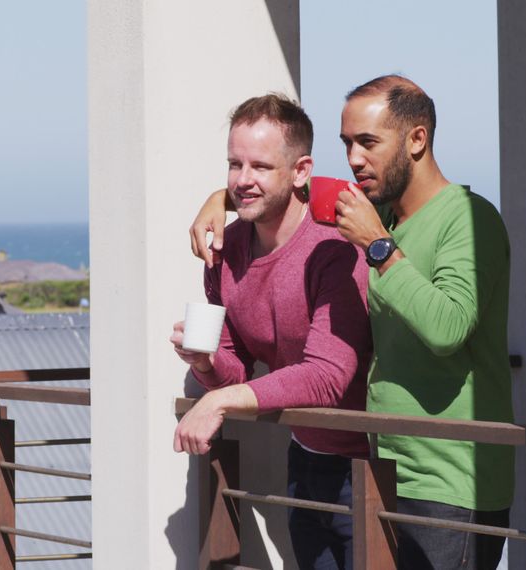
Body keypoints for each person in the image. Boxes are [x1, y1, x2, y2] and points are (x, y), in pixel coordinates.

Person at [189, 76, 515, 570]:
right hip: (384, 467)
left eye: (368, 143)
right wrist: (219, 199)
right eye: (347, 144)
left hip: (452, 479)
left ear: (417, 140)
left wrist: (378, 248)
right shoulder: (377, 207)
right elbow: (281, 184)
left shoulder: (470, 220)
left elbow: (448, 328)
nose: (354, 159)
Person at [170, 93, 372, 569]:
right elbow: (235, 368)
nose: (243, 181)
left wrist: (218, 400)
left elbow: (327, 376)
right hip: (303, 456)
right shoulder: (226, 247)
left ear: (301, 171)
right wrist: (206, 363)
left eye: (260, 166)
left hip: (372, 467)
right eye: (234, 164)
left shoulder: (334, 249)